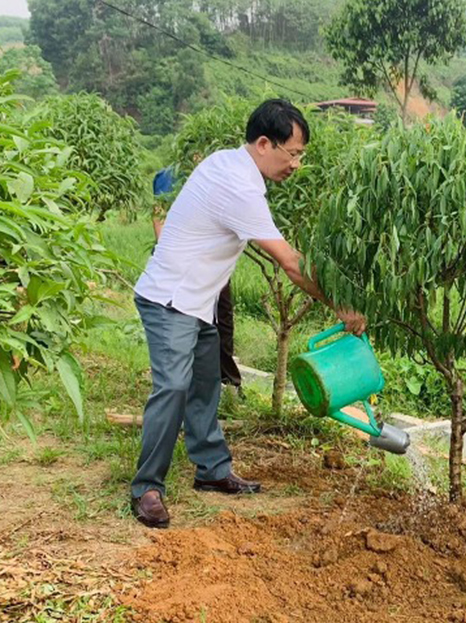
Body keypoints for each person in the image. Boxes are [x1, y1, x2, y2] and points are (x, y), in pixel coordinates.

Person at [130, 99, 365, 529]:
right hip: (170, 299)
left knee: (205, 384)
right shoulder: (239, 187)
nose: (296, 164)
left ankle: (213, 471)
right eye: (292, 153)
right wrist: (342, 304)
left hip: (198, 300)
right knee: (174, 387)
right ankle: (147, 488)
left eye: (301, 155)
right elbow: (290, 262)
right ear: (262, 144)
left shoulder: (230, 164)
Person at [151, 160, 242, 393]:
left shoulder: (219, 175)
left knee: (221, 317)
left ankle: (227, 381)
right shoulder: (170, 176)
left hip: (212, 260)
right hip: (183, 262)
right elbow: (159, 213)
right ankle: (186, 381)